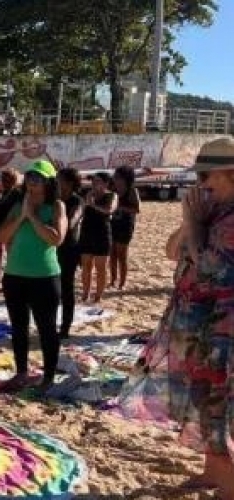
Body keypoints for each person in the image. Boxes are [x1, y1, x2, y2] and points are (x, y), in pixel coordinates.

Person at [117, 138, 234, 498]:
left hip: (222, 331)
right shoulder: (208, 212)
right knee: (202, 402)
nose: (200, 184)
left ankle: (227, 487)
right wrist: (190, 222)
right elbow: (171, 251)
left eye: (206, 176)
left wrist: (194, 227)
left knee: (219, 409)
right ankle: (212, 474)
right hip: (198, 327)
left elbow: (213, 267)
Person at [0, 161, 67, 392]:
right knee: (18, 327)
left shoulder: (56, 206)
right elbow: (2, 236)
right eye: (29, 177)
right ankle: (21, 372)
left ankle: (48, 377)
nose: (32, 181)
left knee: (47, 329)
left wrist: (33, 217)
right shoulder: (18, 204)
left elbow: (56, 238)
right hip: (15, 275)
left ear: (48, 182)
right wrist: (22, 216)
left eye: (38, 178)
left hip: (44, 277)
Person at [78, 172, 116, 303]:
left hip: (102, 234)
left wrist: (92, 204)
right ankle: (85, 293)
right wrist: (85, 203)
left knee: (101, 268)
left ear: (106, 183)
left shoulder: (111, 195)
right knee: (86, 266)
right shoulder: (88, 194)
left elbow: (109, 210)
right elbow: (81, 212)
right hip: (87, 232)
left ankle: (98, 296)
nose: (95, 183)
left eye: (98, 181)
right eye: (93, 181)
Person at [56, 167, 85, 339]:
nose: (56, 182)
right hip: (53, 247)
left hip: (69, 249)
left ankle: (65, 327)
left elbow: (72, 222)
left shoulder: (77, 201)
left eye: (59, 179)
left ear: (68, 183)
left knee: (67, 288)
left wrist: (59, 223)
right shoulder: (55, 199)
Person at [110, 166, 141, 290]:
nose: (115, 179)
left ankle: (122, 283)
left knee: (122, 256)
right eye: (115, 177)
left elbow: (137, 209)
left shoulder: (132, 190)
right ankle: (113, 280)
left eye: (118, 177)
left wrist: (120, 207)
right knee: (112, 254)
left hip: (126, 224)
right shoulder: (112, 189)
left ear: (125, 178)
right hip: (113, 224)